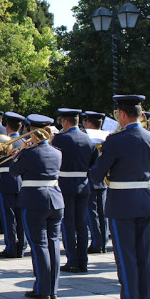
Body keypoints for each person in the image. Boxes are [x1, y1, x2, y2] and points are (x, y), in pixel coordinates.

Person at [89, 95, 150, 299]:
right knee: (145, 258)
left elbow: (95, 176)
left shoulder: (115, 140)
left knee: (127, 259)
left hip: (122, 204)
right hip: (145, 201)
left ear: (121, 114)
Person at [9, 114, 63, 299]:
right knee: (53, 243)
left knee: (39, 245)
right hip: (55, 199)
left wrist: (22, 149)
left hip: (34, 200)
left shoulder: (29, 152)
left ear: (32, 131)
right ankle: (53, 288)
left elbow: (14, 171)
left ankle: (42, 287)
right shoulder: (57, 152)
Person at [52, 108, 96, 273]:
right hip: (83, 184)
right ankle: (83, 260)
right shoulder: (88, 139)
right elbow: (94, 163)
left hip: (65, 184)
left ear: (64, 121)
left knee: (68, 224)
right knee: (82, 224)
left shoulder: (59, 139)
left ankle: (72, 260)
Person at [0, 112, 27, 259]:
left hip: (6, 181)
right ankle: (22, 245)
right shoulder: (24, 142)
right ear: (20, 127)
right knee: (20, 216)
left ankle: (11, 246)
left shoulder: (3, 142)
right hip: (21, 182)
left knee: (9, 216)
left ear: (7, 126)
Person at [82, 111, 110, 253]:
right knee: (102, 212)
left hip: (91, 178)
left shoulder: (87, 138)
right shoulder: (108, 136)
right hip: (104, 180)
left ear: (89, 123)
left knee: (92, 213)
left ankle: (96, 243)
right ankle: (103, 242)